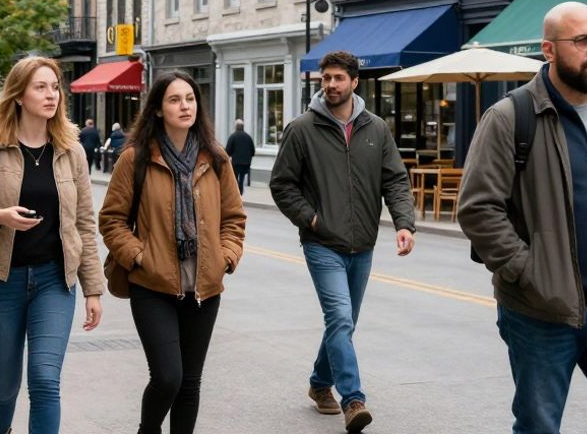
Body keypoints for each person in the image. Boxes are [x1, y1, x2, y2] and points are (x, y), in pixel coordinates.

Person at [458, 1, 587, 434]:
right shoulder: (509, 118)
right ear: (548, 50)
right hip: (540, 309)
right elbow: (478, 207)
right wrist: (526, 271)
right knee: (538, 425)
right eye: (582, 41)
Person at [0, 56, 104, 434]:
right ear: (18, 95)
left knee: (46, 382)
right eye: (40, 87)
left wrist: (93, 289)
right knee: (4, 386)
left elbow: (83, 223)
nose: (51, 95)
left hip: (54, 282)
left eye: (55, 87)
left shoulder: (72, 150)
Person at [269, 50, 416, 433]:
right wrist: (311, 219)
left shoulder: (377, 129)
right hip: (322, 242)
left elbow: (395, 180)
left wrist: (405, 223)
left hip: (363, 242)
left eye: (338, 78)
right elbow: (281, 185)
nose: (330, 85)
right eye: (326, 78)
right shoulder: (302, 129)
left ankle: (320, 384)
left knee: (344, 324)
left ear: (354, 82)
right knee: (339, 317)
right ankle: (353, 399)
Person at [99, 71, 246, 434]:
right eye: (175, 100)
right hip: (152, 285)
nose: (185, 106)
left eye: (190, 99)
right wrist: (138, 256)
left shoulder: (216, 158)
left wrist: (226, 256)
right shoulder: (135, 159)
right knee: (168, 377)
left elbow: (234, 217)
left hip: (204, 288)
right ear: (159, 109)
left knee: (190, 383)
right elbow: (112, 220)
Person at [224, 119, 255, 195]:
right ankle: (240, 192)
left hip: (236, 162)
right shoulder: (248, 137)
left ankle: (237, 193)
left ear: (236, 127)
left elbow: (227, 150)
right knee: (242, 178)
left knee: (235, 178)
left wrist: (230, 156)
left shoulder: (233, 137)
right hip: (246, 163)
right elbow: (253, 151)